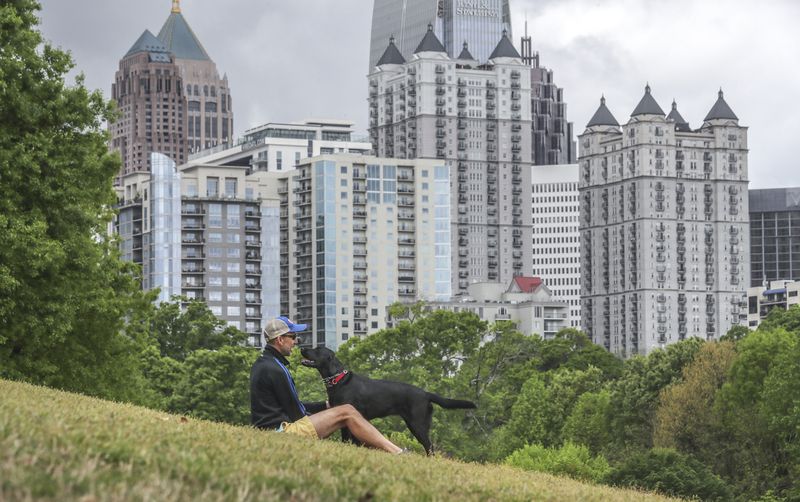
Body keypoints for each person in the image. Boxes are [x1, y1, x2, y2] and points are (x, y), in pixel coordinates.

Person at [250, 316, 404, 454]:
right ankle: (396, 452)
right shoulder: (277, 370)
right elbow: (298, 414)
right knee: (347, 411)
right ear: (280, 340)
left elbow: (289, 405)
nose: (296, 341)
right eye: (293, 336)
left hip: (268, 429)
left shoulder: (264, 363)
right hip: (281, 432)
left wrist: (326, 406)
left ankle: (386, 450)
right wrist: (332, 417)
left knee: (341, 410)